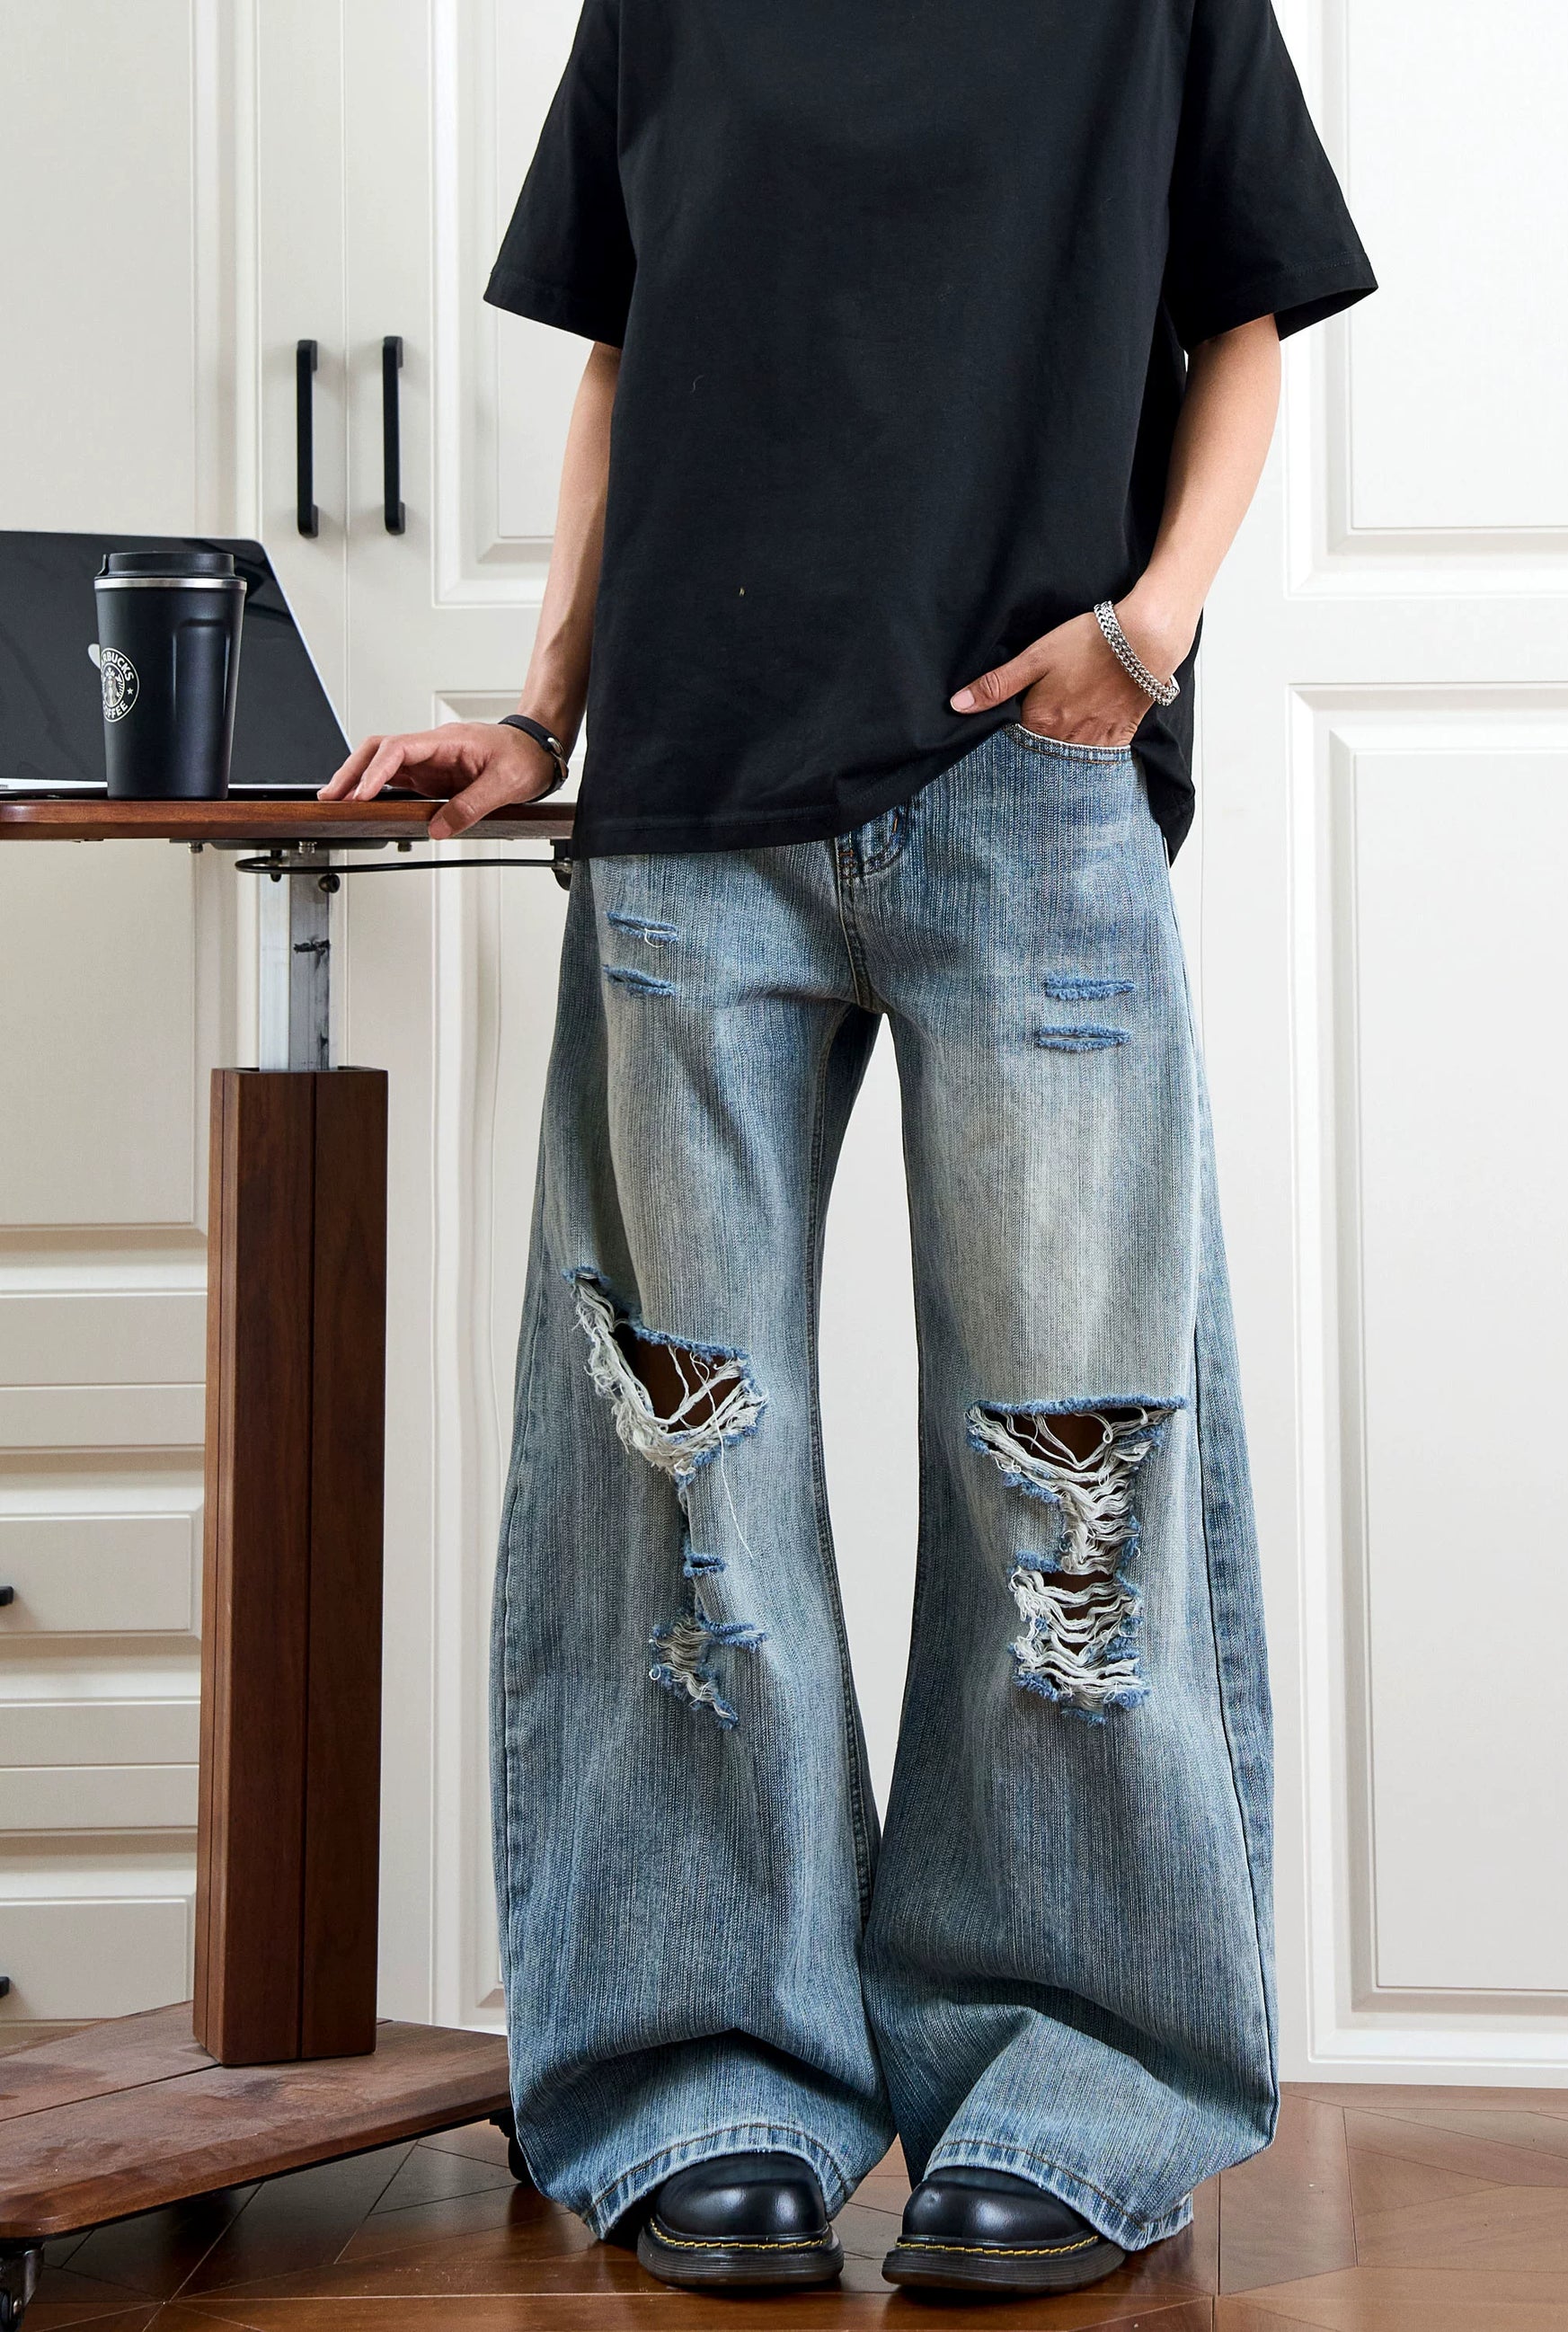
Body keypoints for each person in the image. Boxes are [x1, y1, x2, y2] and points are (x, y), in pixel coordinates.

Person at [323, 0, 1374, 2298]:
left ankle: (1081, 2073)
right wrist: (542, 709)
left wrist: (1149, 633)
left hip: (1031, 793)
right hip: (691, 810)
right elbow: (622, 362)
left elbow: (1249, 321)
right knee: (679, 1465)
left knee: (1065, 1464)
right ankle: (704, 2071)